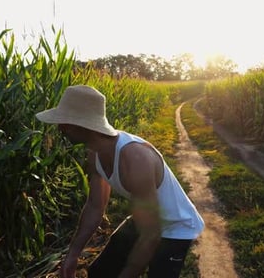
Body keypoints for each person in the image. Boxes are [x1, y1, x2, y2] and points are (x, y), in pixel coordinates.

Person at [35, 85, 205, 278]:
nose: (60, 128)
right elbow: (95, 207)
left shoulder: (135, 159)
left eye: (65, 122)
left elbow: (151, 234)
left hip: (176, 225)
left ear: (83, 125)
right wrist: (72, 255)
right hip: (146, 217)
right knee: (99, 273)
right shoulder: (95, 154)